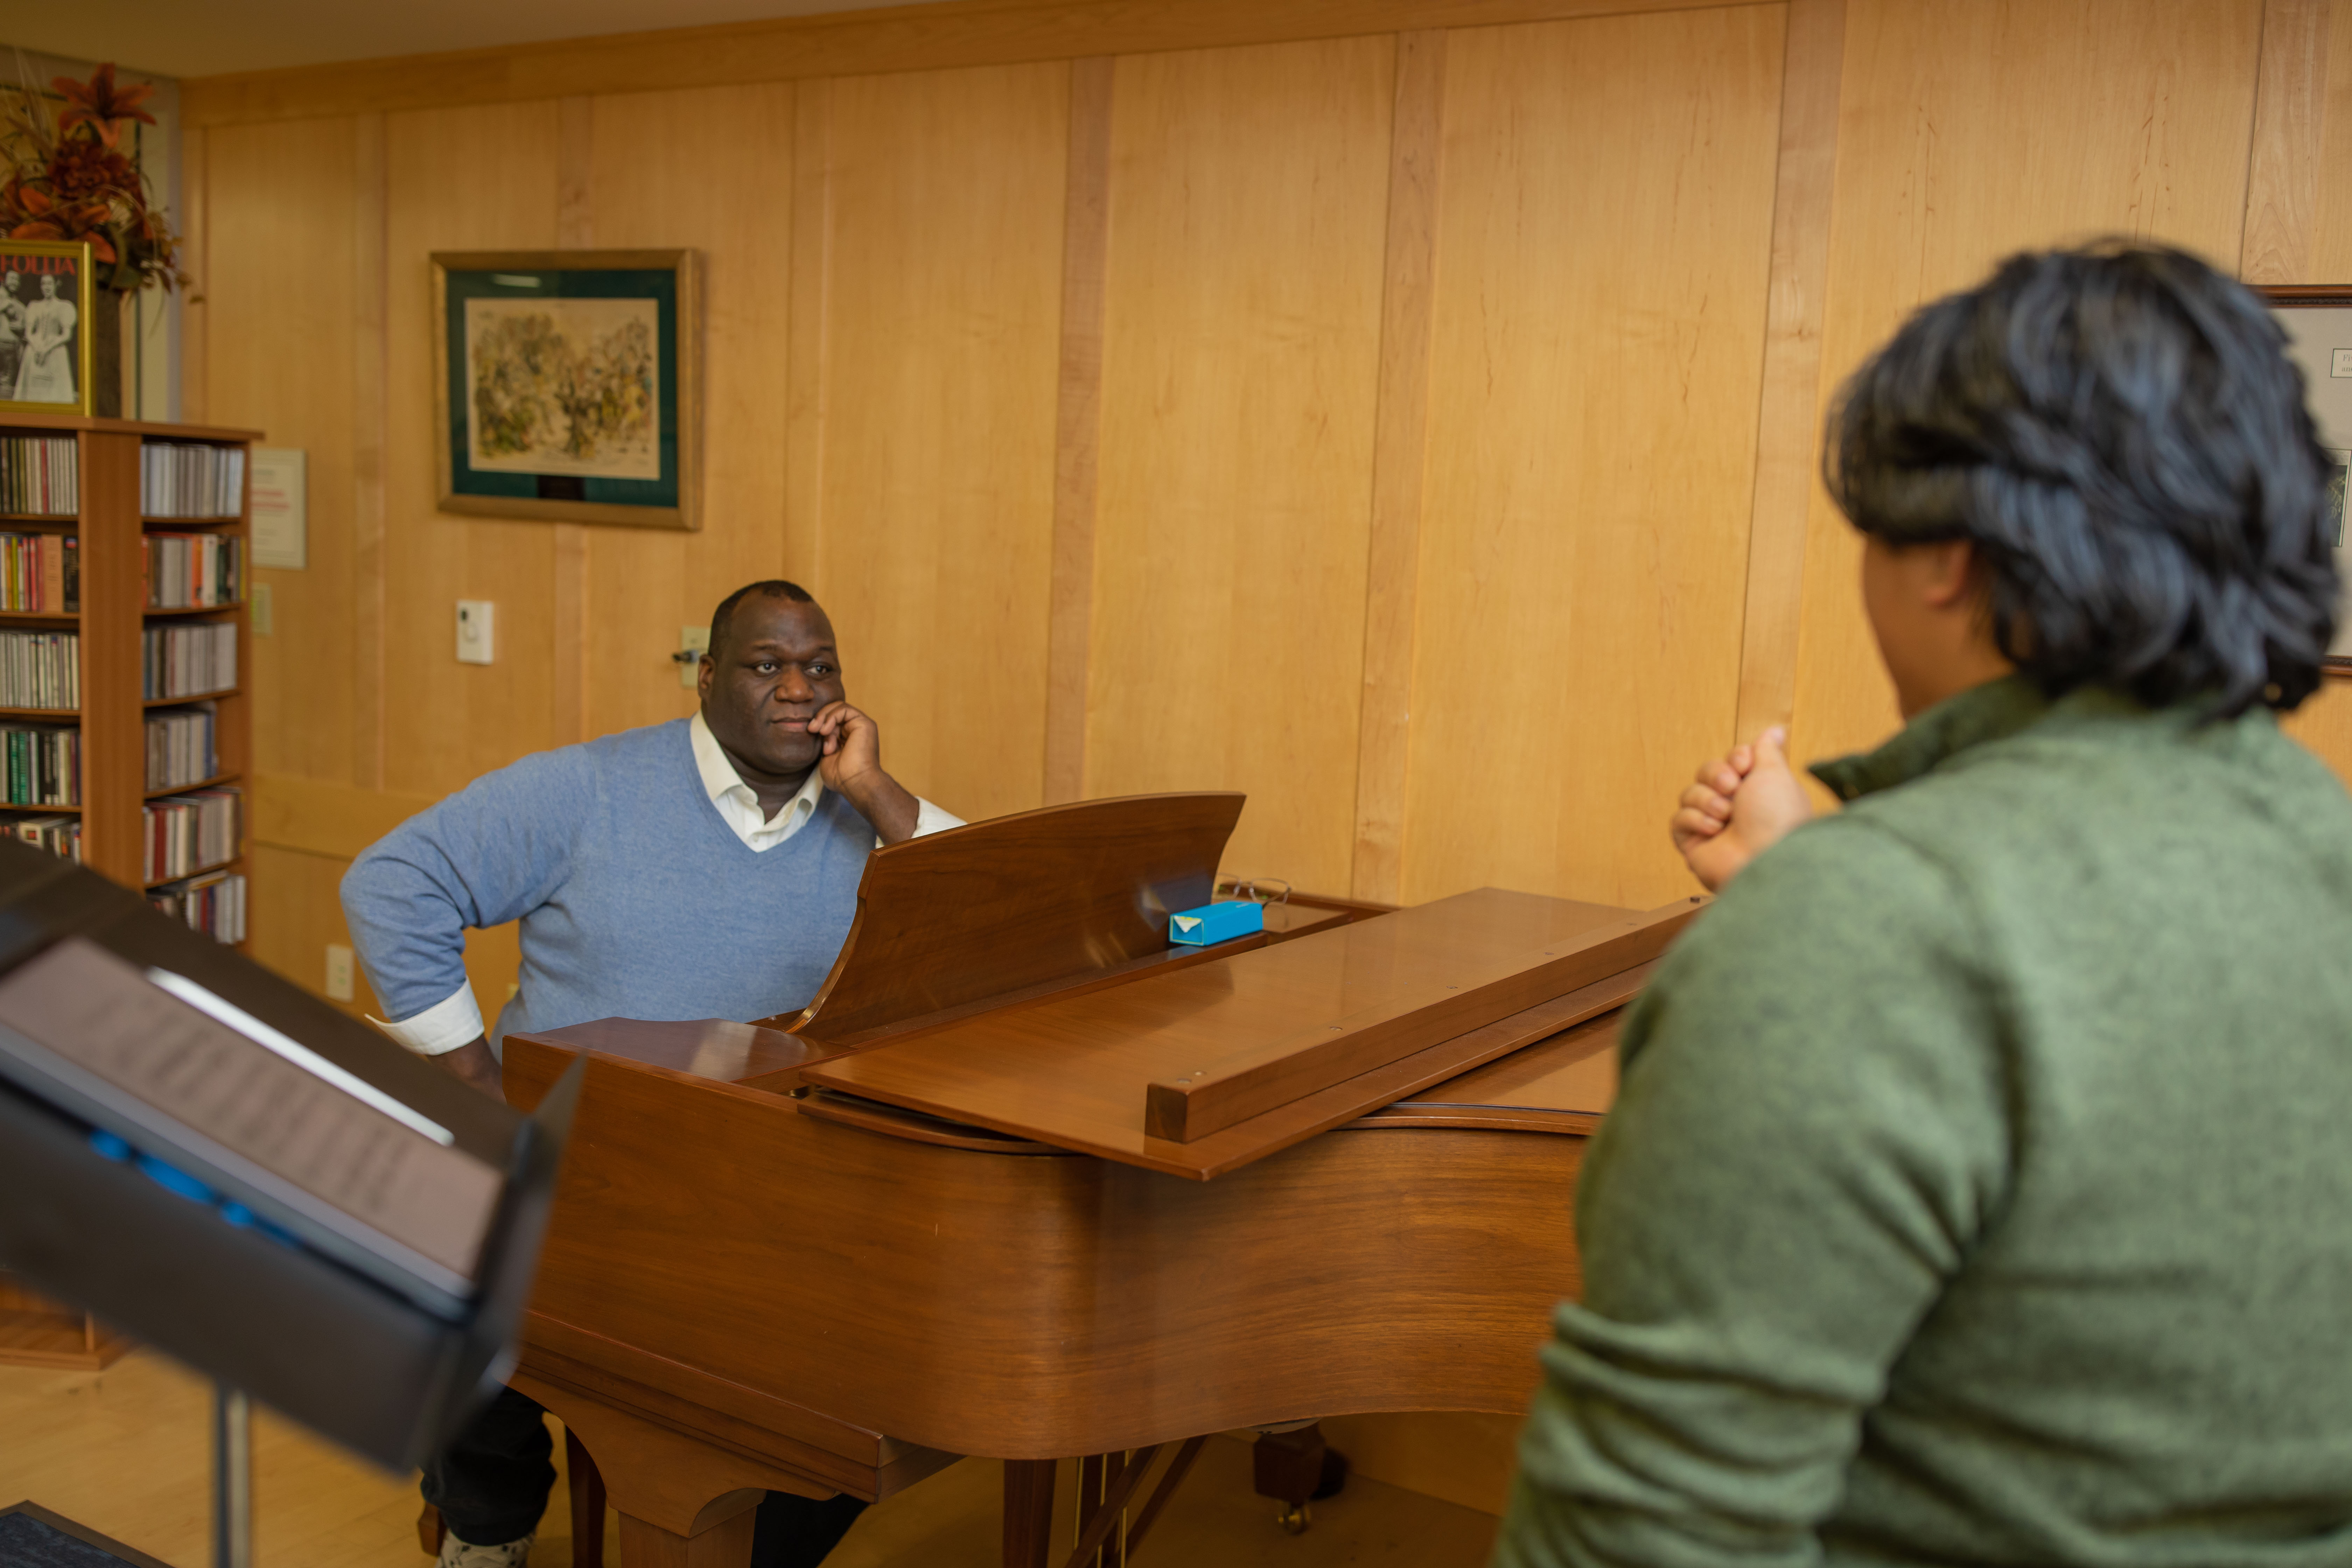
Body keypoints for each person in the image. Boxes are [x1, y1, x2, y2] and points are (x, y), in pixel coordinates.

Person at [1492, 244, 2352, 1567]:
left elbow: (1648, 1532)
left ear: (1944, 553)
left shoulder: (1871, 929)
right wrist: (1808, 883)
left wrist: (1824, 907)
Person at [344, 580, 962, 1568]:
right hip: (579, 1168)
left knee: (874, 1373)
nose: (799, 689)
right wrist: (467, 1075)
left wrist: (876, 793)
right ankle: (486, 1527)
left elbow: (995, 908)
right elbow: (390, 882)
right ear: (709, 677)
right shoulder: (588, 791)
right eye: (767, 666)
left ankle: (742, 1537)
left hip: (775, 1187)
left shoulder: (865, 819)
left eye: (821, 667)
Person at [15, 272, 76, 405]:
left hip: (55, 348)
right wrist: (37, 347)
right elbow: (28, 333)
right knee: (32, 390)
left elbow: (67, 335)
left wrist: (48, 348)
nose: (46, 287)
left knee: (54, 391)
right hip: (35, 348)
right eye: (43, 284)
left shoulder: (64, 306)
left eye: (50, 284)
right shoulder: (34, 306)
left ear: (56, 285)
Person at [0, 272, 27, 397]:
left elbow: (26, 330)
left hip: (13, 347)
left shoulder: (22, 307)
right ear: (4, 280)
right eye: (11, 278)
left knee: (8, 388)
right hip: (2, 343)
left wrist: (22, 329)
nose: (14, 282)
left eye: (17, 280)